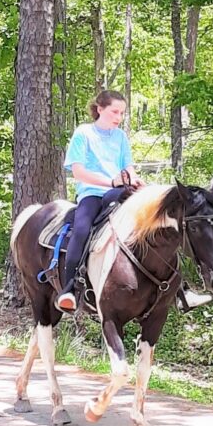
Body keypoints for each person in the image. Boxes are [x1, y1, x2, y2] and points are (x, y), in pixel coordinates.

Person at [56, 91, 145, 312]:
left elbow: (128, 167)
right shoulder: (83, 133)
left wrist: (134, 180)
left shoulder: (121, 137)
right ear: (99, 109)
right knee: (82, 228)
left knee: (154, 217)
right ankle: (69, 288)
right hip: (92, 193)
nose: (119, 117)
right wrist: (111, 182)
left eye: (122, 113)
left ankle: (179, 289)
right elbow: (78, 173)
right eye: (115, 111)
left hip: (119, 190)